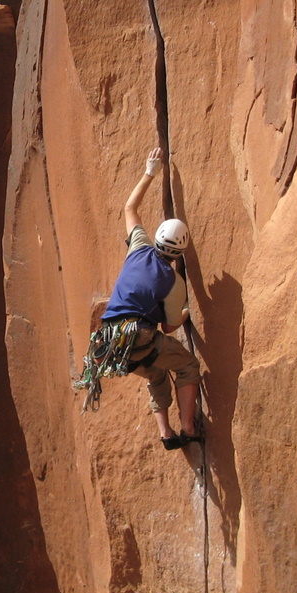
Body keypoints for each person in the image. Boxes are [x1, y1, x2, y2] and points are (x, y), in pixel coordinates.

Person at [96, 147, 202, 450]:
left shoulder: (139, 247)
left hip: (110, 341)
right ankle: (187, 427)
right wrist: (184, 311)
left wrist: (150, 171)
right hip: (139, 336)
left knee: (155, 375)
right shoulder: (173, 281)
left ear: (155, 237)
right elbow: (169, 328)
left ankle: (166, 435)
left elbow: (130, 208)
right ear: (180, 253)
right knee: (187, 365)